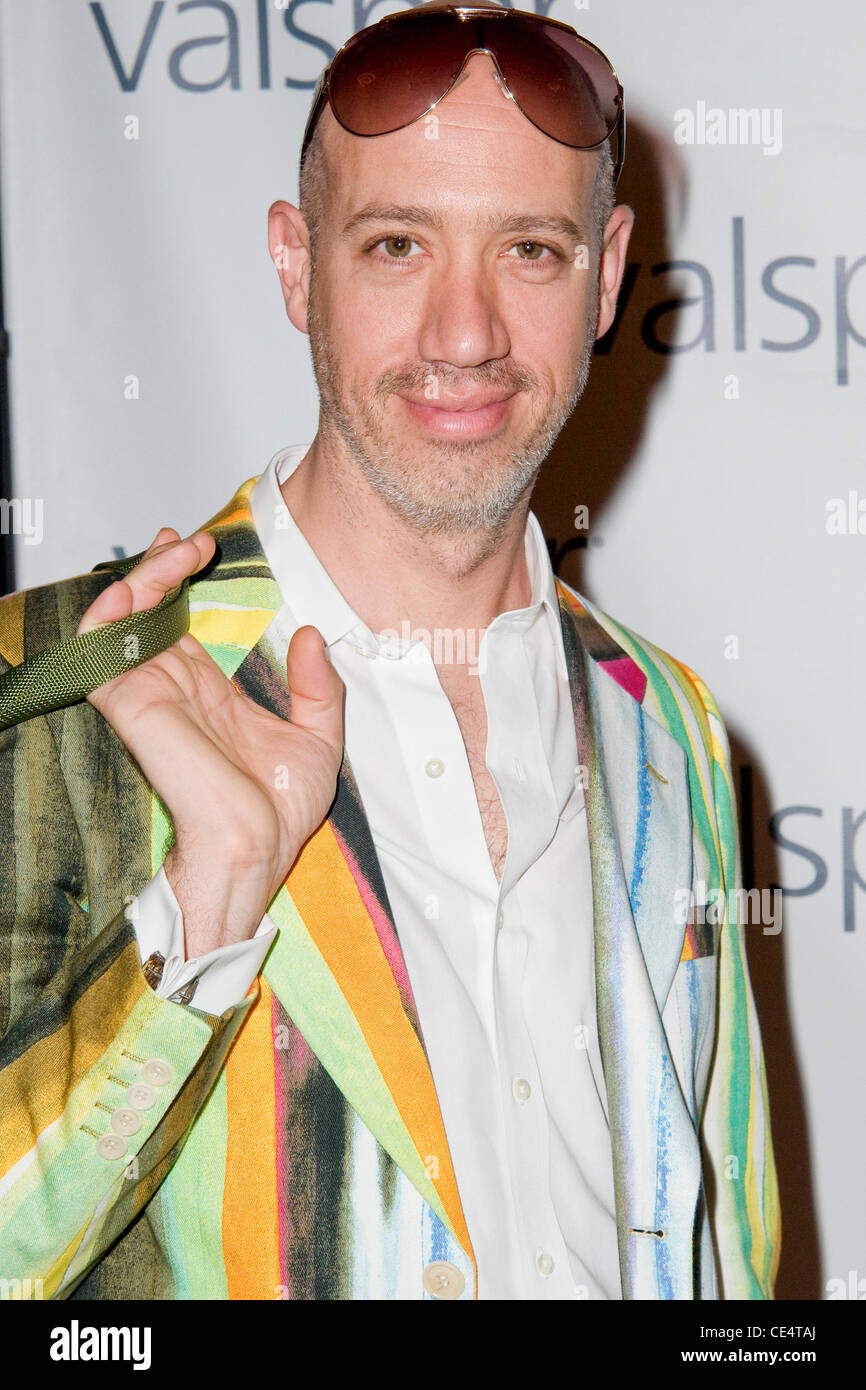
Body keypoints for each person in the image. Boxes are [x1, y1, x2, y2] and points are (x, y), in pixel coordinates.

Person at [0, 1, 779, 1300]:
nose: (463, 334)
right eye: (397, 244)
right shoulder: (64, 680)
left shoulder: (672, 724)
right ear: (296, 263)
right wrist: (207, 905)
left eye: (527, 250)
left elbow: (725, 1243)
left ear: (604, 273)